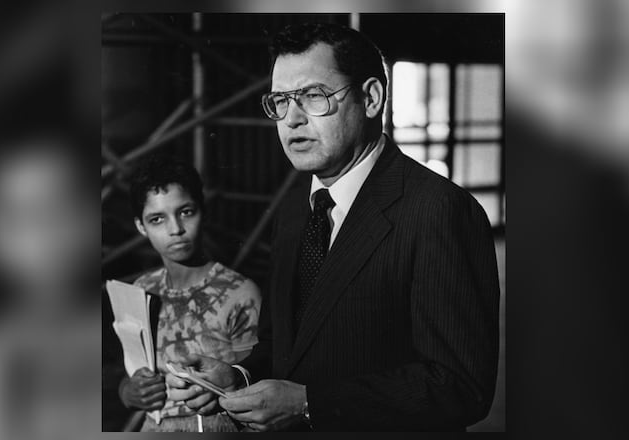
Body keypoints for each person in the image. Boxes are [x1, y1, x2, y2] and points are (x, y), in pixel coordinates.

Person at [172, 22, 500, 431]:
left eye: (313, 97)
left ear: (371, 98)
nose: (291, 120)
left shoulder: (440, 210)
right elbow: (290, 346)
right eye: (280, 100)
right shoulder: (294, 206)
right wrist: (237, 377)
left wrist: (311, 403)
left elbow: (462, 387)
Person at [116, 153, 262, 432]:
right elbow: (133, 373)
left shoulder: (238, 293)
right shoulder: (140, 292)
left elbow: (256, 381)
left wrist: (222, 395)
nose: (176, 229)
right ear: (140, 226)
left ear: (202, 210)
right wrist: (129, 392)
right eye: (157, 219)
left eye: (185, 212)